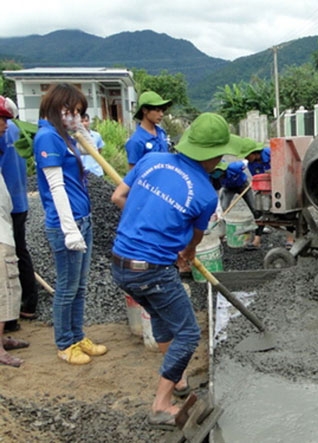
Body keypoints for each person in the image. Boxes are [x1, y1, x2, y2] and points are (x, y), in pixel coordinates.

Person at [110, 112, 243, 429]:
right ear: (212, 156)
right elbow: (191, 246)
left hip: (120, 264)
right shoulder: (205, 194)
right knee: (187, 333)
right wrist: (183, 253)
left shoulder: (152, 159)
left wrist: (149, 218)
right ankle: (160, 405)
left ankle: (179, 382)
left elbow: (118, 196)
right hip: (151, 271)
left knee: (163, 320)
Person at [34, 83, 108, 365]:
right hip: (66, 222)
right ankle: (65, 344)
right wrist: (69, 228)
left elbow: (88, 159)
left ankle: (78, 335)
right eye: (70, 110)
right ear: (55, 107)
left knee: (80, 286)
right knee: (67, 287)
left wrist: (81, 134)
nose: (74, 116)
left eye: (79, 111)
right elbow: (56, 187)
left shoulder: (64, 136)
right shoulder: (47, 138)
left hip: (83, 218)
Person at [1, 97, 39, 330]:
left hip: (6, 204)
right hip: (20, 200)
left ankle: (12, 316)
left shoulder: (4, 133)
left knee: (9, 258)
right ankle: (29, 303)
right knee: (20, 251)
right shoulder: (16, 129)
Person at [0, 98, 30, 367]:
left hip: (8, 219)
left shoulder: (10, 133)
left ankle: (3, 338)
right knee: (2, 286)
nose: (5, 125)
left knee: (9, 282)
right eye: (2, 119)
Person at [240, 140, 295, 247]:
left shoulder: (271, 153)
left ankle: (290, 239)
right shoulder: (251, 164)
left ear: (254, 152)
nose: (246, 158)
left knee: (286, 213)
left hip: (283, 185)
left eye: (247, 155)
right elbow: (258, 178)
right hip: (267, 189)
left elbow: (286, 166)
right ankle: (257, 241)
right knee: (260, 213)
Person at [211, 158, 264, 250]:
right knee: (223, 211)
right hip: (228, 189)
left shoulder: (234, 167)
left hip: (243, 186)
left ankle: (258, 237)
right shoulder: (213, 177)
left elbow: (247, 162)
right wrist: (218, 211)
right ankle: (223, 235)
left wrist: (256, 178)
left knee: (255, 210)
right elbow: (215, 195)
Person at [125, 91, 171, 169]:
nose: (161, 114)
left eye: (162, 111)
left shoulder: (161, 133)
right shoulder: (136, 141)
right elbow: (133, 171)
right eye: (157, 110)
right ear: (145, 110)